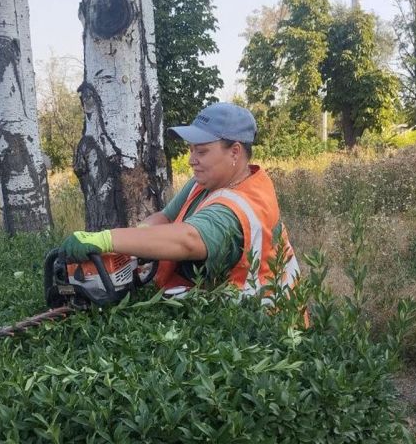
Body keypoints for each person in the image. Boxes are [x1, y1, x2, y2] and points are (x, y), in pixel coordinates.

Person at [59, 102, 301, 298]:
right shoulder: (208, 181)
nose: (191, 160)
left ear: (235, 152)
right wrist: (136, 242)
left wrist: (107, 240)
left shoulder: (238, 208)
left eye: (202, 151)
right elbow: (166, 217)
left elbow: (189, 239)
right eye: (191, 150)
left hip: (261, 332)